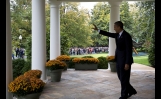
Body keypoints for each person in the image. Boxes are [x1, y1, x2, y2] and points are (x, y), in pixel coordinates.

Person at [92, 21, 137, 99]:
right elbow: (108, 34)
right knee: (121, 77)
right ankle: (131, 90)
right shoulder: (117, 35)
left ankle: (124, 95)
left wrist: (127, 63)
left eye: (115, 27)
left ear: (119, 27)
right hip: (119, 59)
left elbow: (129, 50)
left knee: (123, 78)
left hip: (125, 60)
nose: (114, 28)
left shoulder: (127, 36)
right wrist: (98, 30)